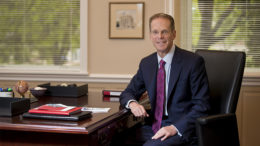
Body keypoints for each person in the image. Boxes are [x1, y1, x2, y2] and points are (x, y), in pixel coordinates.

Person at [120, 13, 210, 146]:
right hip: (153, 126)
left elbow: (202, 106)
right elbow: (127, 93)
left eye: (164, 32)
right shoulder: (147, 63)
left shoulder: (193, 62)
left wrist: (174, 128)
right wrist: (133, 104)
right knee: (115, 140)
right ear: (151, 36)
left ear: (174, 34)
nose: (160, 37)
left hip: (180, 129)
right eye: (155, 32)